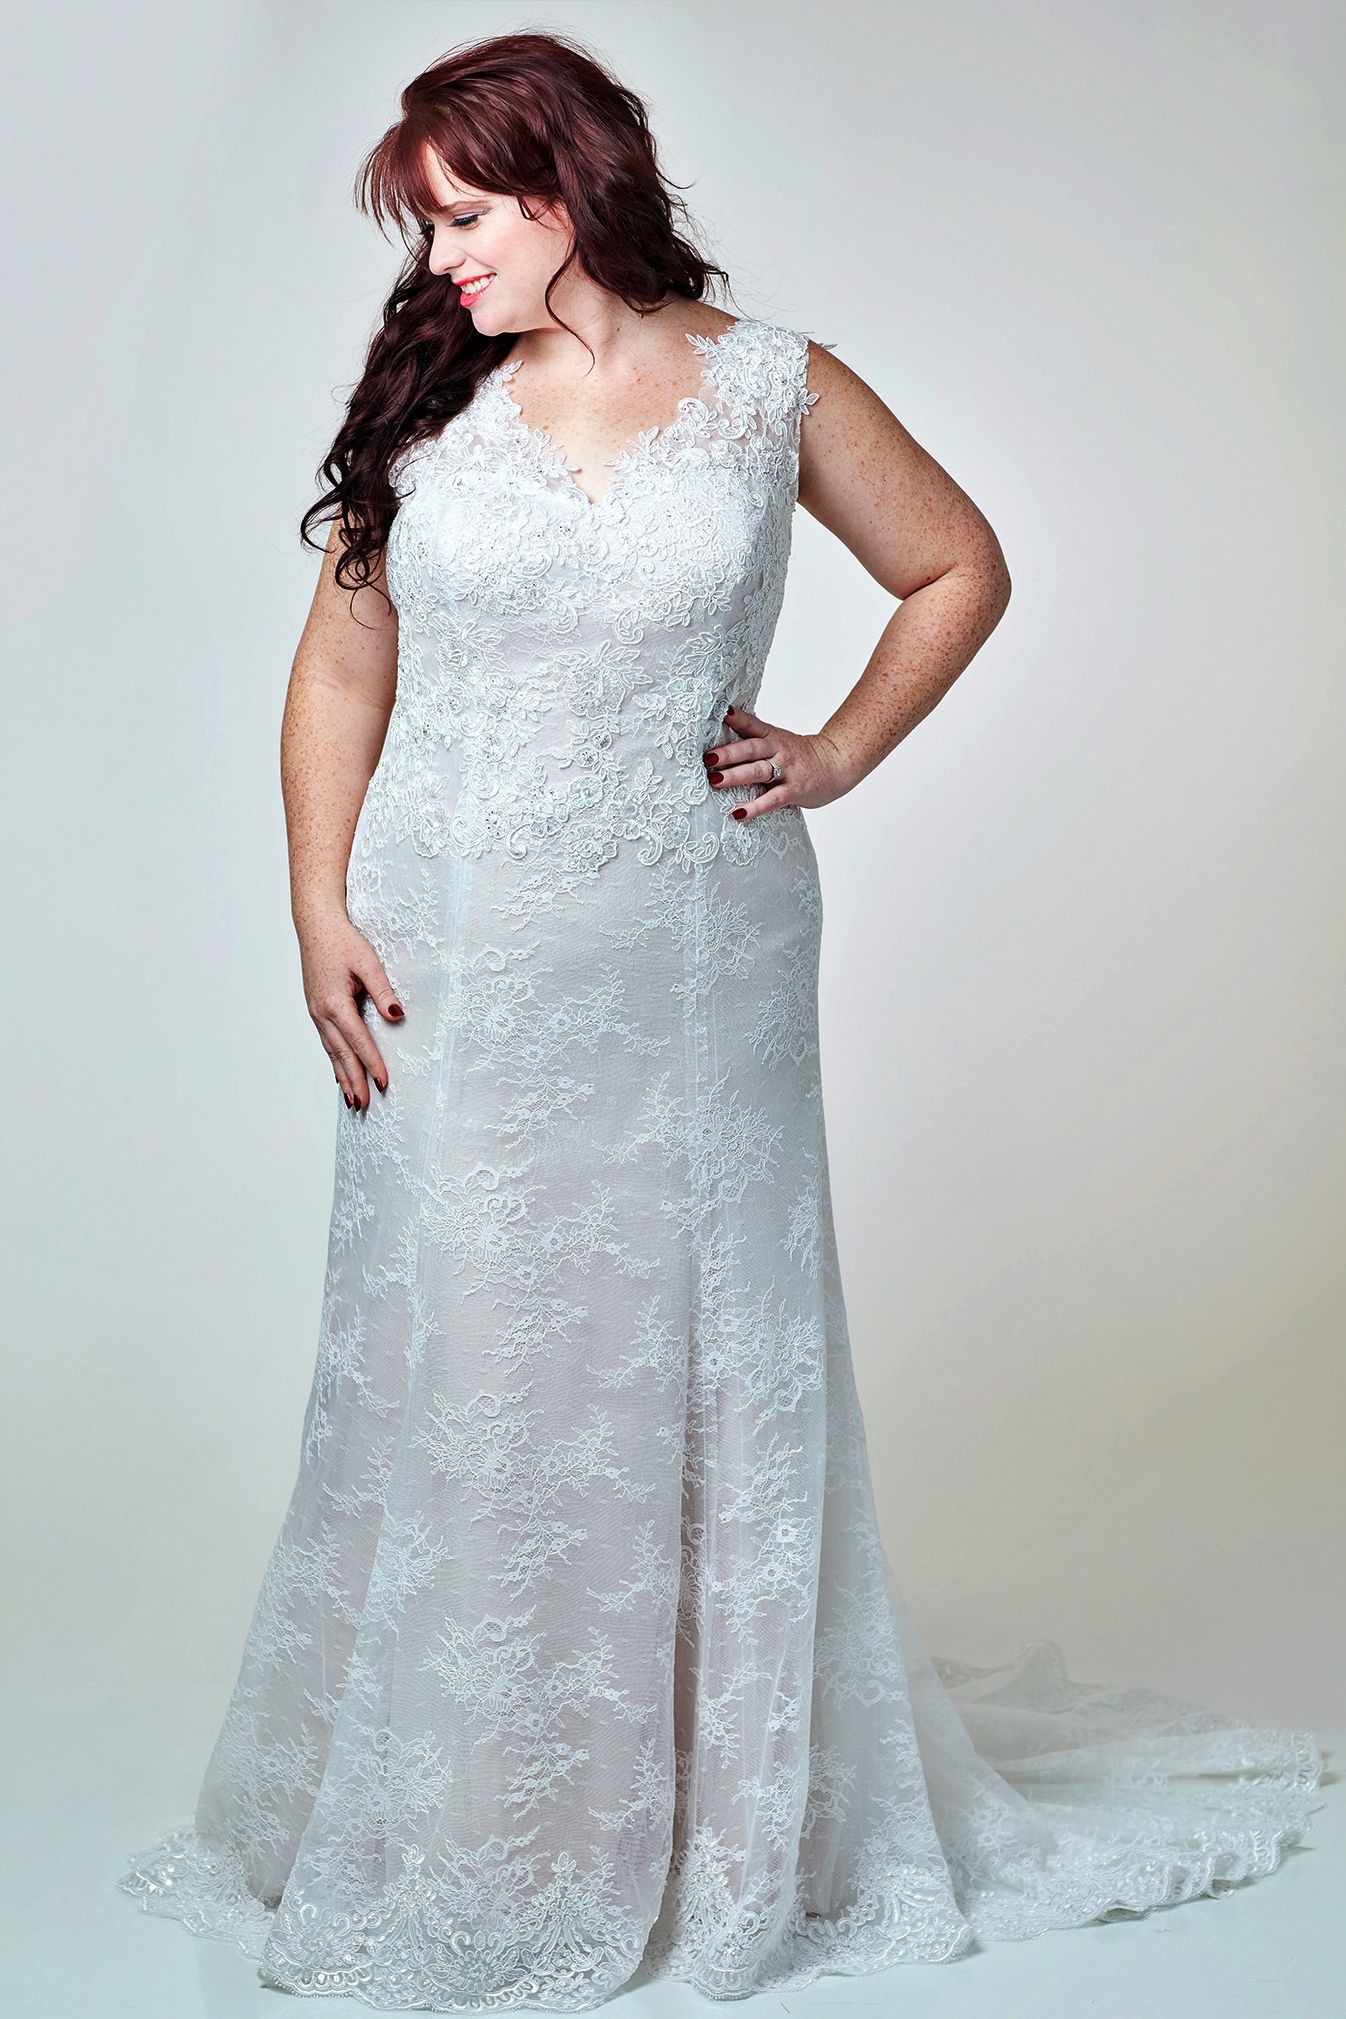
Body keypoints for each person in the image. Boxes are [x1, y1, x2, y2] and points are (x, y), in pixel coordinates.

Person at [116, 27, 1324, 2011]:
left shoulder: (770, 385)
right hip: (453, 958)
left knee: (700, 1356)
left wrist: (836, 744)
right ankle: (478, 1816)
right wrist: (315, 900)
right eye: (421, 231)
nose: (438, 267)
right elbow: (342, 666)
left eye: (463, 220)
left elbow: (956, 563)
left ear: (566, 181)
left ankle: (707, 1805)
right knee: (471, 1359)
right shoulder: (429, 403)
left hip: (696, 971)